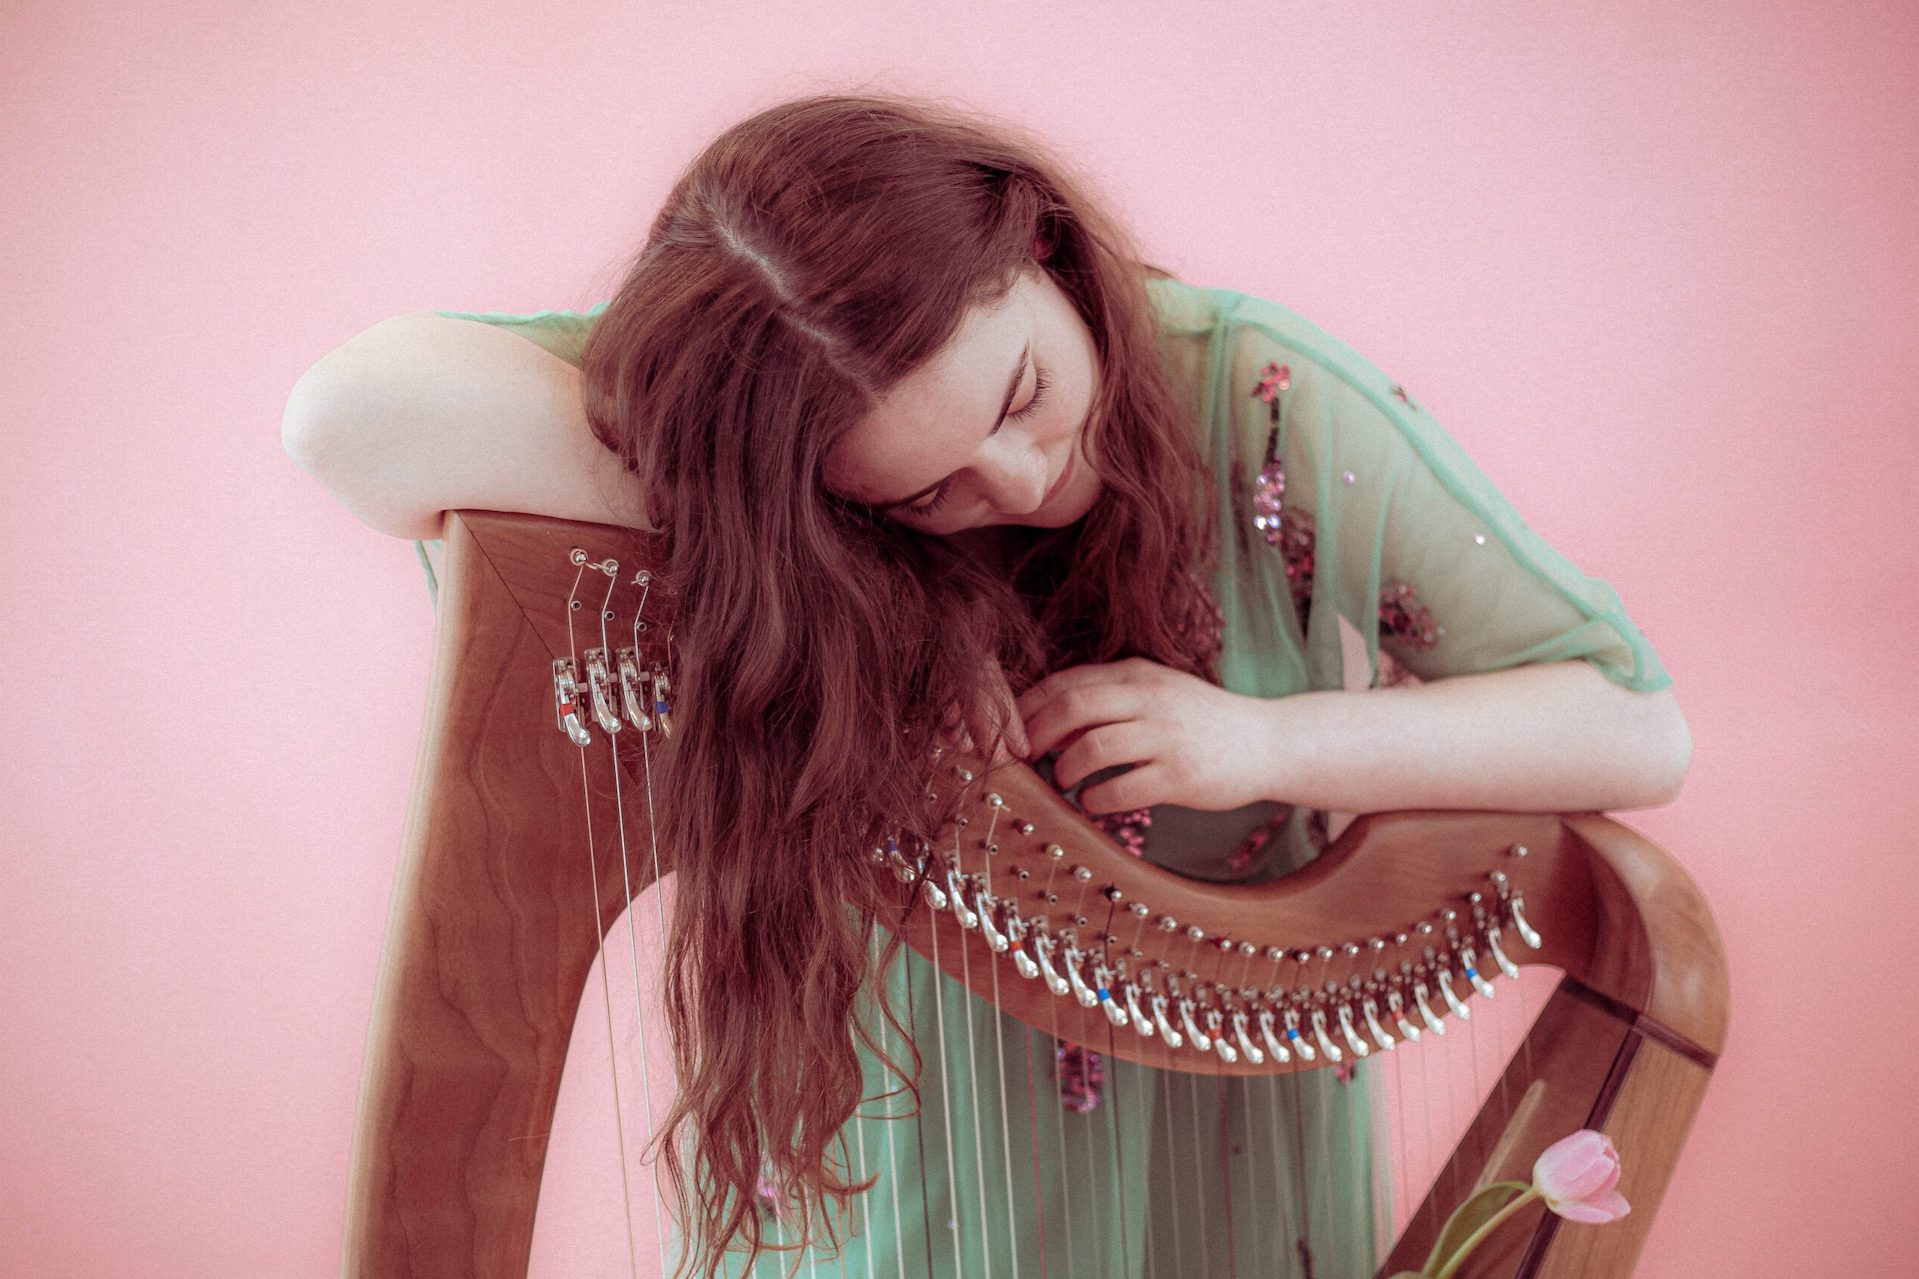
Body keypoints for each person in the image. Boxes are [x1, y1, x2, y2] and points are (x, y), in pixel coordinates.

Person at [283, 91, 1690, 1279]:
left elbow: (1632, 726)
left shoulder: (1254, 392)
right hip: (883, 1143)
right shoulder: (773, 420)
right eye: (927, 489)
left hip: (1228, 1175)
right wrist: (807, 548)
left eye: (1017, 395)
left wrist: (1258, 741)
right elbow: (349, 415)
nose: (1020, 481)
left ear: (1040, 244)